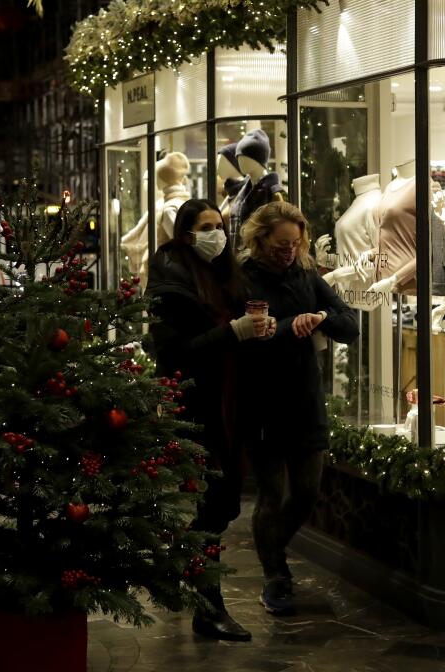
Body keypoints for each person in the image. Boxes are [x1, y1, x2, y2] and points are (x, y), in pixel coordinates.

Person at [145, 198, 273, 642]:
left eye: (219, 225)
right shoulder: (171, 282)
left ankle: (183, 569)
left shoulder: (226, 276)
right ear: (185, 233)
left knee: (226, 503)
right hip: (198, 407)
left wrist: (258, 331)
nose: (216, 233)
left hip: (233, 403)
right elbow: (174, 351)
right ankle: (208, 606)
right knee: (214, 503)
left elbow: (237, 333)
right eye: (206, 226)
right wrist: (232, 332)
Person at [237, 201, 358, 616]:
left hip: (305, 399)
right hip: (262, 400)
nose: (288, 250)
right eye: (280, 243)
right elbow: (242, 336)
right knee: (270, 495)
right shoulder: (242, 279)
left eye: (295, 242)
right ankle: (276, 575)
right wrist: (292, 326)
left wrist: (321, 315)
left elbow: (350, 325)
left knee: (306, 492)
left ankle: (273, 549)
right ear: (261, 237)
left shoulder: (307, 274)